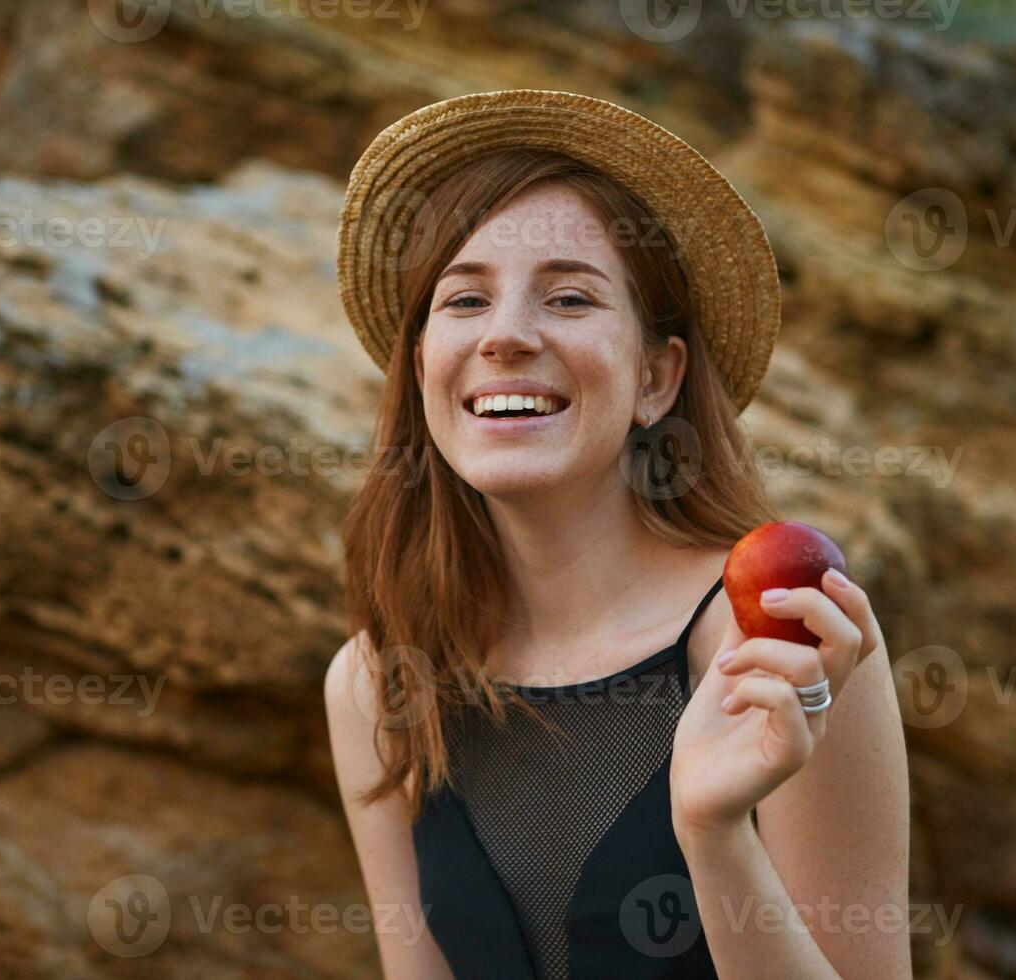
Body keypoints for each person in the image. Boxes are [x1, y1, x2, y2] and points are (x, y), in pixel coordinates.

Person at [324, 90, 911, 979]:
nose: (507, 337)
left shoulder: (778, 641)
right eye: (465, 299)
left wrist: (714, 838)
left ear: (657, 378)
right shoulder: (380, 681)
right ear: (422, 368)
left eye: (567, 297)